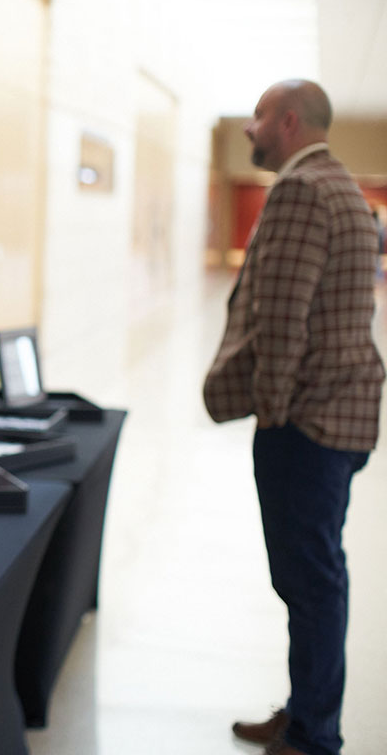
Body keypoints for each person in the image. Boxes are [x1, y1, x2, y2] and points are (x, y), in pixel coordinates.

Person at [203, 80, 385, 755]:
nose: (248, 130)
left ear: (286, 121)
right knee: (314, 576)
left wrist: (274, 414)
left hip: (306, 426)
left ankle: (312, 733)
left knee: (309, 581)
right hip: (344, 416)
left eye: (255, 118)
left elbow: (280, 321)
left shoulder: (302, 192)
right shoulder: (344, 190)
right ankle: (307, 711)